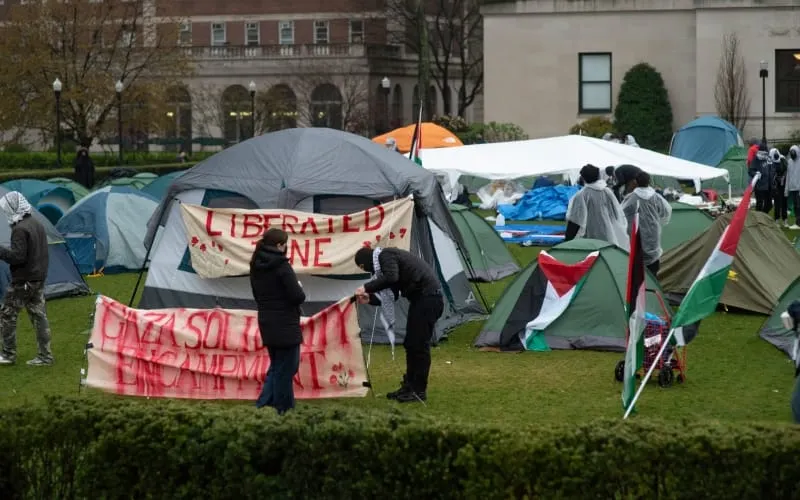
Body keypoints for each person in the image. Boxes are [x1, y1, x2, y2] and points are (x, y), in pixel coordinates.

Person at [354, 246, 444, 403]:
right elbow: (393, 293)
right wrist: (371, 299)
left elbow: (392, 278)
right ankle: (409, 386)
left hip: (429, 299)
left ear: (365, 263)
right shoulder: (388, 262)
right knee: (411, 344)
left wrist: (366, 287)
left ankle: (418, 390)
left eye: (363, 268)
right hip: (422, 300)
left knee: (419, 346)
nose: (367, 271)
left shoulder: (386, 255)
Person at [249, 228, 306, 415]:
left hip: (266, 320)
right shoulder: (282, 266)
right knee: (287, 368)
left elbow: (258, 295)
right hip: (285, 324)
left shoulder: (255, 265)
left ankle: (265, 405)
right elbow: (297, 296)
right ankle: (283, 408)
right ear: (280, 245)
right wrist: (298, 286)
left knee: (277, 366)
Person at [0, 192, 53, 366]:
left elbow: (18, 257)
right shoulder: (36, 223)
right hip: (38, 277)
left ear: (13, 207)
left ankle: (8, 355)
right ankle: (45, 356)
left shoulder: (19, 229)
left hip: (23, 280)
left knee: (7, 313)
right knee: (39, 316)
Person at [564, 164, 630, 251]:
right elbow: (617, 213)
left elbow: (575, 220)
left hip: (590, 234)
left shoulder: (582, 195)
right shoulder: (607, 191)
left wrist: (568, 240)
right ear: (598, 176)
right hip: (608, 233)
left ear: (583, 178)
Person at [620, 171, 672, 276]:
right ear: (649, 181)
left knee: (637, 261)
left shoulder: (631, 198)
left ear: (636, 182)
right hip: (653, 232)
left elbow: (621, 214)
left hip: (636, 234)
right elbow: (666, 211)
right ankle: (653, 284)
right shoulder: (656, 197)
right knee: (653, 264)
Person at [749, 142, 774, 214]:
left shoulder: (768, 158)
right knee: (759, 204)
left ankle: (763, 215)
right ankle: (758, 219)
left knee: (769, 204)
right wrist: (756, 173)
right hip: (759, 186)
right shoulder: (756, 159)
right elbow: (750, 171)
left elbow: (772, 168)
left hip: (769, 186)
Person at [771, 148, 789, 227]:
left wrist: (783, 178)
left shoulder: (783, 159)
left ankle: (785, 220)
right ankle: (777, 219)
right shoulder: (770, 161)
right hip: (776, 185)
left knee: (784, 202)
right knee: (777, 202)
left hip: (783, 183)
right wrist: (776, 178)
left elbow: (787, 170)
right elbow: (771, 172)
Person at [786, 145, 800, 229]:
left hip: (799, 188)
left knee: (798, 205)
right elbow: (788, 176)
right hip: (792, 188)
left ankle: (798, 224)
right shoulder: (789, 162)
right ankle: (797, 222)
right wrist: (786, 189)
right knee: (795, 206)